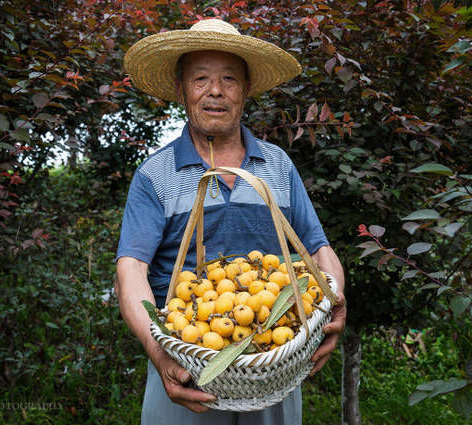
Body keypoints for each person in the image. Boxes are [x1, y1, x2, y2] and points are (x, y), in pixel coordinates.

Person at [115, 18, 346, 425]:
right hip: (187, 366)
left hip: (273, 360)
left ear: (245, 90)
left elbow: (318, 250)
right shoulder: (156, 175)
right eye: (201, 78)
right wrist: (160, 353)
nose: (215, 91)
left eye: (229, 79)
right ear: (183, 88)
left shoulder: (277, 165)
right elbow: (130, 270)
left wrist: (333, 306)